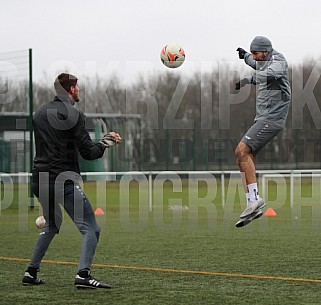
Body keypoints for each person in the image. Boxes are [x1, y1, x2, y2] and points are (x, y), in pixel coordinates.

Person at [22, 73, 121, 288]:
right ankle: (83, 276)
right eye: (77, 87)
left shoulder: (39, 113)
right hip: (63, 180)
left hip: (39, 179)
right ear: (71, 90)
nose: (79, 91)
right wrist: (106, 142)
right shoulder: (74, 115)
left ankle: (30, 272)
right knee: (91, 228)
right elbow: (88, 152)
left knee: (52, 225)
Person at [234, 36, 291, 227]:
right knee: (242, 156)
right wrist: (245, 57)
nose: (255, 58)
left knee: (242, 149)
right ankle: (253, 203)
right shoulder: (262, 59)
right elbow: (256, 63)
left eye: (256, 53)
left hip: (272, 119)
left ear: (266, 51)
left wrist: (249, 78)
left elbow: (269, 73)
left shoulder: (278, 62)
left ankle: (254, 200)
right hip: (263, 118)